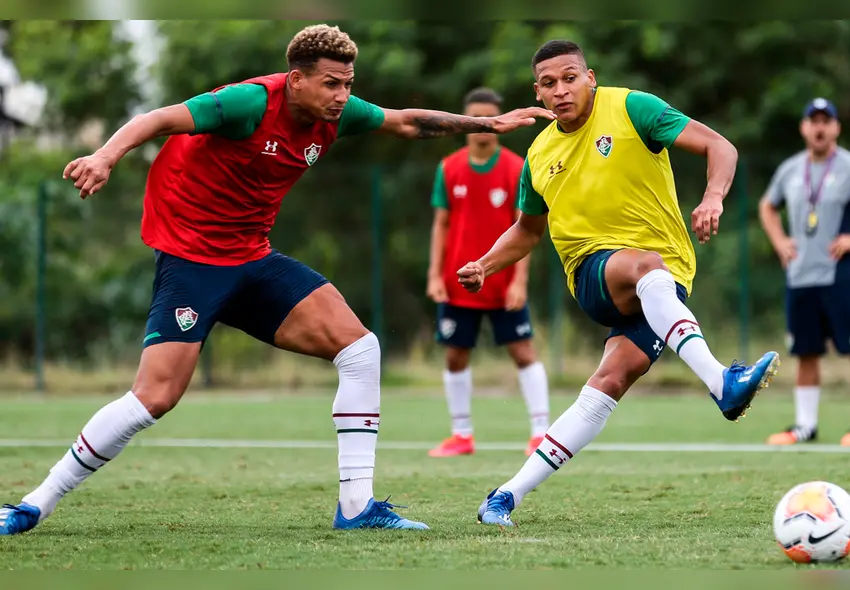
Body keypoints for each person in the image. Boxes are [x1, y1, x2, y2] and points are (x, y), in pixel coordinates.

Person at [0, 24, 553, 536]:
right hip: (192, 261)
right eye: (331, 83)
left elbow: (406, 120)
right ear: (297, 80)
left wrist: (486, 124)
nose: (341, 95)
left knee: (361, 350)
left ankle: (357, 509)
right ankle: (34, 503)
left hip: (253, 259)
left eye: (348, 84)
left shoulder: (336, 116)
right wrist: (105, 154)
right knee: (156, 396)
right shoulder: (248, 103)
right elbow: (159, 119)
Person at [456, 40, 780, 528]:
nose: (561, 90)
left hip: (666, 284)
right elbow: (527, 230)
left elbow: (720, 146)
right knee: (646, 266)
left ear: (591, 77)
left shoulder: (632, 108)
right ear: (537, 94)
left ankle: (504, 496)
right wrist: (486, 263)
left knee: (607, 384)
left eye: (570, 77)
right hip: (594, 272)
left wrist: (713, 196)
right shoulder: (540, 153)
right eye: (549, 83)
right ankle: (722, 383)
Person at [759, 98, 850, 447]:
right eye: (813, 121)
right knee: (805, 352)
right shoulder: (791, 169)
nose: (820, 127)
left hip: (840, 275)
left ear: (836, 128)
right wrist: (780, 242)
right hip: (800, 275)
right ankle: (804, 426)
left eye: (827, 121)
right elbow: (767, 205)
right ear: (803, 127)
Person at [426, 87, 550, 458]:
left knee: (523, 351)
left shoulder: (517, 167)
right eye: (475, 120)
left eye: (488, 120)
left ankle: (540, 434)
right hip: (459, 278)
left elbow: (526, 229)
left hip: (501, 278)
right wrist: (434, 274)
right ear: (465, 124)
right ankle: (461, 434)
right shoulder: (449, 168)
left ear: (498, 124)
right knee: (455, 355)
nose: (482, 127)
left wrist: (519, 280)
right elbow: (440, 224)